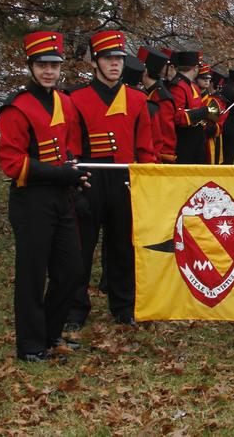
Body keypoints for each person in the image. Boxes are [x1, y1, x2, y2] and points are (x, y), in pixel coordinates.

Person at [0, 31, 89, 362]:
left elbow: (70, 149)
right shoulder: (16, 107)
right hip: (31, 199)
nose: (49, 71)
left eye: (54, 65)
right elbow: (12, 163)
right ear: (30, 66)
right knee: (32, 275)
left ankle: (51, 334)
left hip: (61, 197)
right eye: (42, 65)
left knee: (71, 270)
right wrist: (61, 173)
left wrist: (75, 178)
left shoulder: (65, 102)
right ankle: (31, 345)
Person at [66, 30, 156, 329]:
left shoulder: (136, 98)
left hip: (123, 181)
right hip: (90, 179)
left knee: (123, 247)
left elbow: (145, 147)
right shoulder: (76, 98)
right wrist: (75, 182)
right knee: (81, 248)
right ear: (95, 62)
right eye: (108, 58)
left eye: (118, 58)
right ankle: (75, 310)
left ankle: (124, 306)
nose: (115, 64)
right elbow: (72, 147)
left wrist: (147, 181)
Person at [168, 51, 213, 164]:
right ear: (195, 68)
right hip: (185, 140)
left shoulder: (192, 85)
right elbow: (178, 117)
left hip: (197, 138)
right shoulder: (178, 86)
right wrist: (202, 112)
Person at [138, 47, 175, 163]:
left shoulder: (161, 97)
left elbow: (166, 133)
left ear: (145, 71)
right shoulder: (148, 92)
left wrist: (164, 158)